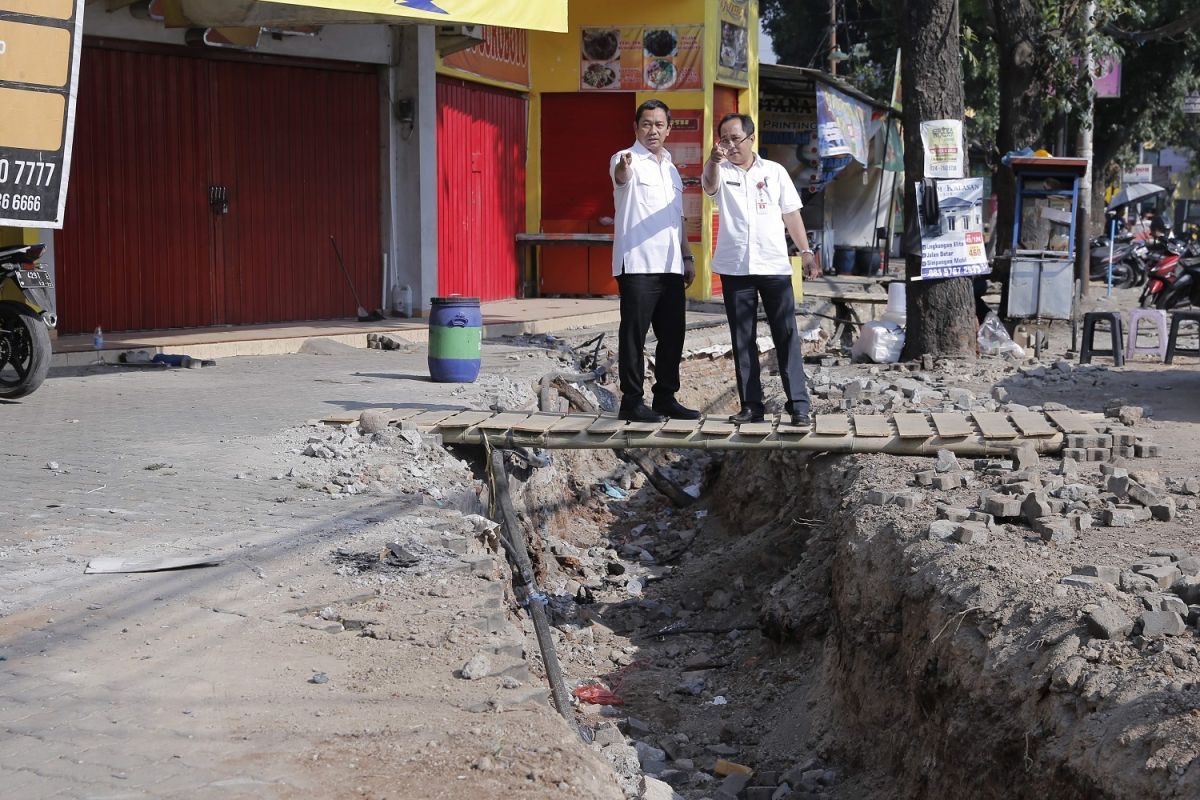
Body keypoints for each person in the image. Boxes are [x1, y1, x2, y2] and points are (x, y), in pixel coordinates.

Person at [702, 112, 820, 428]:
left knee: (786, 334)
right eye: (723, 139)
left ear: (752, 138)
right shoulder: (719, 171)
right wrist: (713, 161)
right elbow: (709, 187)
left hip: (773, 265)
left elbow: (791, 215)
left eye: (735, 138)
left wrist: (806, 252)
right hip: (735, 267)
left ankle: (799, 406)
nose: (729, 145)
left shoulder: (775, 172)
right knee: (743, 338)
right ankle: (752, 406)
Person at [610, 99, 699, 423]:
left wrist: (687, 255)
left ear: (668, 129)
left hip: (671, 265)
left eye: (659, 124)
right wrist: (624, 167)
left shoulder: (672, 169)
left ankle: (665, 397)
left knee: (673, 334)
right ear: (636, 128)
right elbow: (621, 176)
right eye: (646, 124)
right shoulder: (624, 158)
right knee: (633, 335)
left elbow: (677, 217)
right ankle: (631, 401)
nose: (653, 130)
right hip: (637, 264)